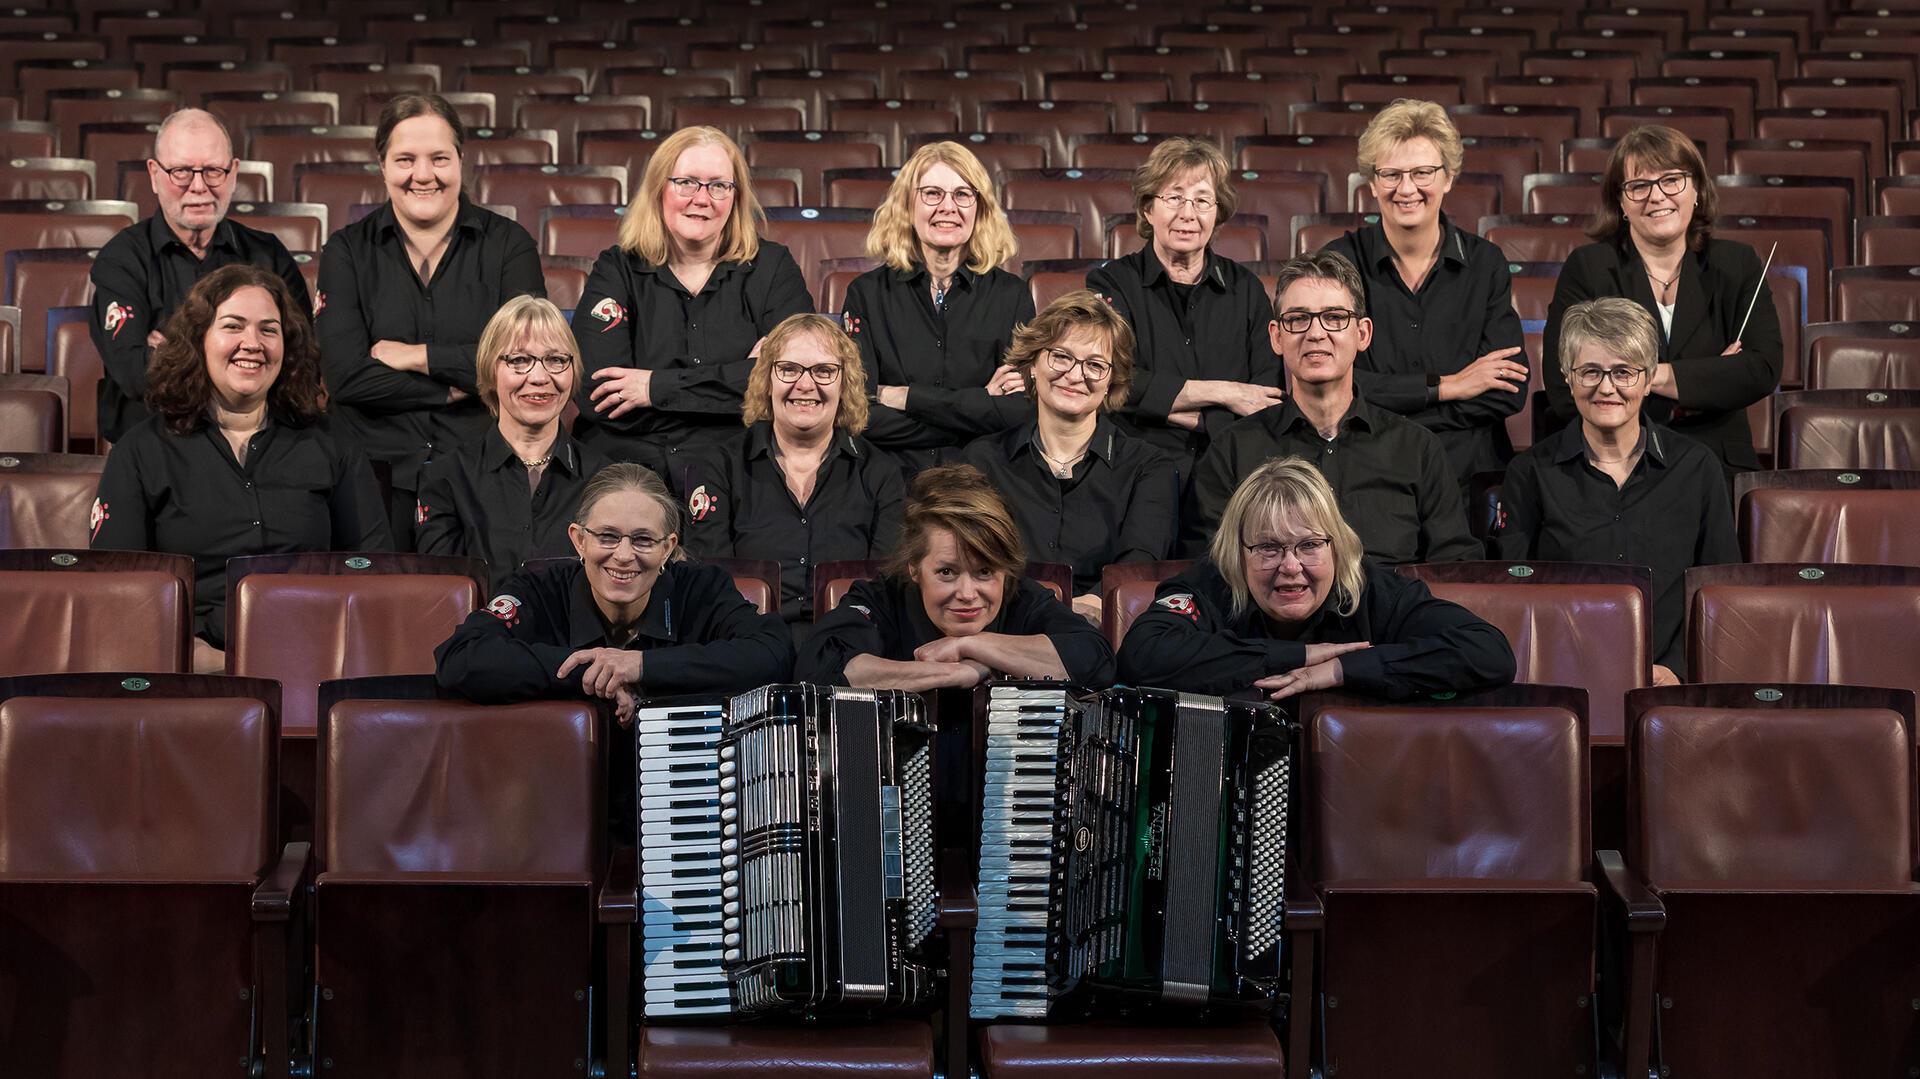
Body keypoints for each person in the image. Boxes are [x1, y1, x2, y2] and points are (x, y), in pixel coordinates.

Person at [91, 264, 391, 673]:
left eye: (269, 330)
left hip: (315, 661)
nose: (253, 343)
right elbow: (119, 595)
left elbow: (373, 572)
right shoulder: (140, 453)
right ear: (198, 339)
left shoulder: (332, 444)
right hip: (189, 670)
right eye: (233, 326)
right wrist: (210, 662)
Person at [317, 92, 544, 543]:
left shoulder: (509, 246)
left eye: (439, 158)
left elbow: (524, 361)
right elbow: (345, 377)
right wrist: (454, 386)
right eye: (405, 159)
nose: (423, 175)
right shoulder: (346, 251)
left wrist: (416, 355)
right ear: (382, 165)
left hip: (482, 469)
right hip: (370, 474)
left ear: (461, 160)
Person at [1119, 456, 1515, 700]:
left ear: (1336, 548)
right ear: (1238, 555)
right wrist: (1299, 656)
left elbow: (1488, 652)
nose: (1290, 567)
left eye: (1309, 546)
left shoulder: (1375, 593)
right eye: (1268, 549)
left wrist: (1344, 669)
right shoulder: (1207, 585)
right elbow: (1141, 656)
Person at [435, 463, 796, 723]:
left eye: (643, 540)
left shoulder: (703, 588)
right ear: (579, 539)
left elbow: (772, 653)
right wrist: (594, 675)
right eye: (607, 536)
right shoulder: (537, 588)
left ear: (668, 547)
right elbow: (460, 657)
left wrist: (640, 666)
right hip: (555, 787)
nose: (624, 556)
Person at [1182, 250, 1480, 565]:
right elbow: (1209, 566)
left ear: (1362, 334)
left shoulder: (1418, 448)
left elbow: (1455, 567)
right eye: (1298, 319)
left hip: (1391, 612)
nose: (1315, 333)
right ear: (1277, 337)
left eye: (1334, 317)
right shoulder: (1231, 451)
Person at [1497, 298, 1737, 683]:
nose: (1607, 388)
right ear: (1567, 376)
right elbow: (1517, 594)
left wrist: (1675, 669)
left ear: (1647, 379)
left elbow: (1718, 591)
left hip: (1669, 681)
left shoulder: (1697, 467)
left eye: (1623, 372)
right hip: (1562, 678)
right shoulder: (1530, 473)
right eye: (1591, 371)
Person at [572, 125, 813, 485]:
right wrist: (735, 384)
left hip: (741, 472)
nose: (702, 198)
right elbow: (597, 395)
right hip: (626, 469)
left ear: (736, 197)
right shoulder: (617, 268)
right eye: (686, 182)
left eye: (719, 185)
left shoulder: (773, 268)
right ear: (659, 189)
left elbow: (793, 381)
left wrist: (655, 388)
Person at [1543, 124, 1783, 483]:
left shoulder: (1737, 264)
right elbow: (1563, 386)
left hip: (1717, 462)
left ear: (1697, 189)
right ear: (1621, 203)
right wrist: (1708, 376)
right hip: (1616, 463)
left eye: (1672, 180)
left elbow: (1761, 370)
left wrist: (1638, 377)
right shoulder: (1589, 268)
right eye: (1638, 186)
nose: (1656, 196)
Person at [1320, 99, 1528, 489]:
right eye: (1391, 174)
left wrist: (1397, 406)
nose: (1407, 189)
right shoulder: (1339, 262)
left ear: (1448, 178)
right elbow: (1331, 383)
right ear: (1372, 183)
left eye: (1422, 173)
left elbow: (1507, 392)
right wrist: (1448, 387)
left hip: (1468, 474)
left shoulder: (1486, 264)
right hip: (1367, 471)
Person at [91, 108, 313, 444]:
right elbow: (135, 374)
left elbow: (301, 364)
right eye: (180, 171)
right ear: (154, 174)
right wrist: (240, 366)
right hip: (155, 448)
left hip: (258, 447)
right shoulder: (122, 260)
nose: (199, 187)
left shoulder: (269, 256)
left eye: (213, 171)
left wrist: (173, 352)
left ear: (234, 172)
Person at [795, 464, 1115, 691]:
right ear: (914, 568)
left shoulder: (1023, 596)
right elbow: (819, 670)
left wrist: (973, 644)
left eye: (985, 571)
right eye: (947, 572)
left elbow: (1095, 661)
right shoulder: (880, 597)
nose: (967, 593)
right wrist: (956, 674)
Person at [962, 289, 1177, 623]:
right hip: (1003, 628)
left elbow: (1137, 565)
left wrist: (1088, 607)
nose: (1076, 376)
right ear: (1032, 364)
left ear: (1111, 381)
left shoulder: (1149, 467)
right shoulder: (982, 461)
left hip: (1103, 631)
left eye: (1095, 365)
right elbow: (974, 564)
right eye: (1061, 357)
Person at [681, 313, 905, 626]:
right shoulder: (718, 468)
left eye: (824, 371)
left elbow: (885, 589)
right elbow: (709, 583)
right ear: (766, 380)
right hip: (745, 639)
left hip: (847, 641)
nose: (805, 384)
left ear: (845, 383)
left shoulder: (881, 473)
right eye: (788, 370)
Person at [1086, 137, 1285, 473]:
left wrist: (1169, 407)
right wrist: (1227, 392)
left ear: (1217, 213)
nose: (1188, 214)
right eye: (1175, 197)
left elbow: (1263, 396)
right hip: (1137, 466)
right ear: (1149, 209)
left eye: (1202, 200)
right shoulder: (1113, 284)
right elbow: (1115, 382)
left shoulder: (1247, 290)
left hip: (1229, 465)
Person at [844, 140, 1035, 473]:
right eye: (932, 193)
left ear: (980, 209)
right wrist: (977, 405)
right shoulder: (866, 294)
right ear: (907, 206)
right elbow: (860, 414)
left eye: (962, 194)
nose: (948, 207)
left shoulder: (1012, 295)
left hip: (979, 477)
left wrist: (905, 397)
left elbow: (1016, 412)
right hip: (888, 477)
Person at [414, 295, 608, 590]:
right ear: (491, 371)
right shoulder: (445, 478)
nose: (540, 377)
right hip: (477, 635)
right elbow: (441, 599)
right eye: (520, 360)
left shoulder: (606, 480)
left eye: (556, 360)